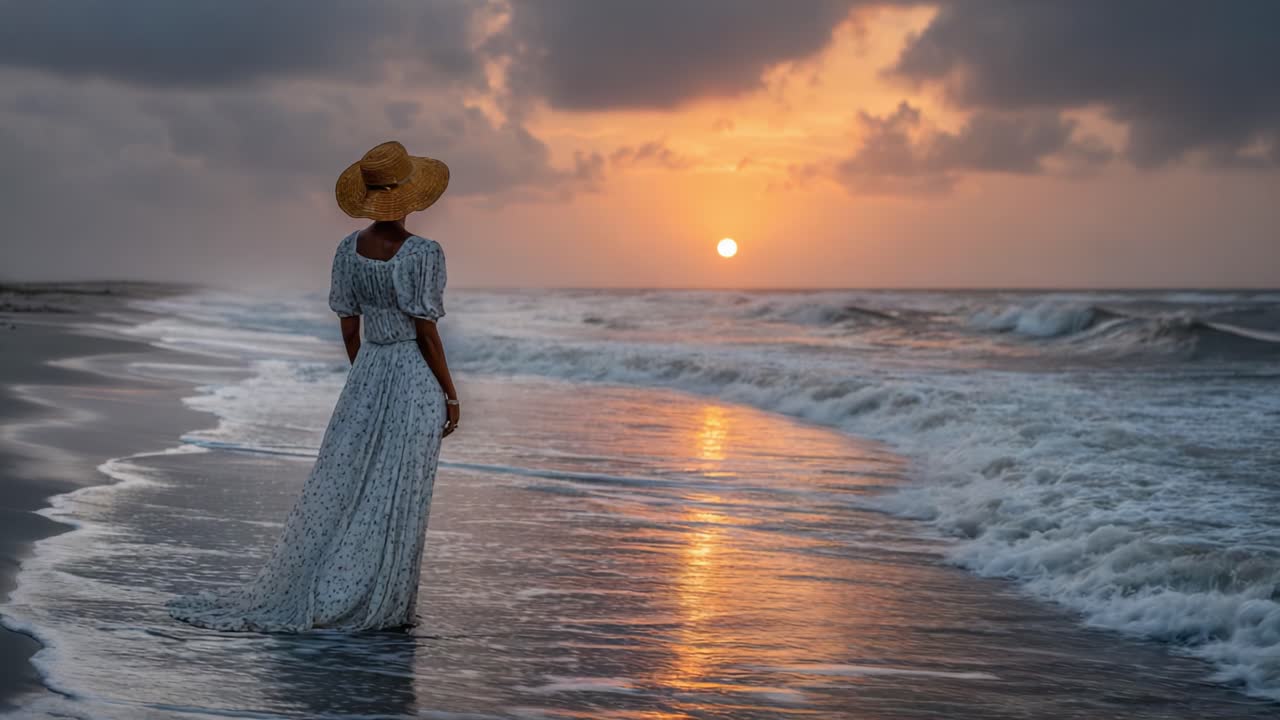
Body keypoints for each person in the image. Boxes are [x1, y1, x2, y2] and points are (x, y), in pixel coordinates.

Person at [167, 140, 460, 632]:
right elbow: (426, 331)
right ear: (409, 195)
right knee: (397, 495)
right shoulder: (423, 254)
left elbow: (349, 326)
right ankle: (378, 601)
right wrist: (450, 395)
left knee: (351, 488)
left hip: (369, 371)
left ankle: (343, 590)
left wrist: (366, 373)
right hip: (412, 380)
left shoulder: (349, 250)